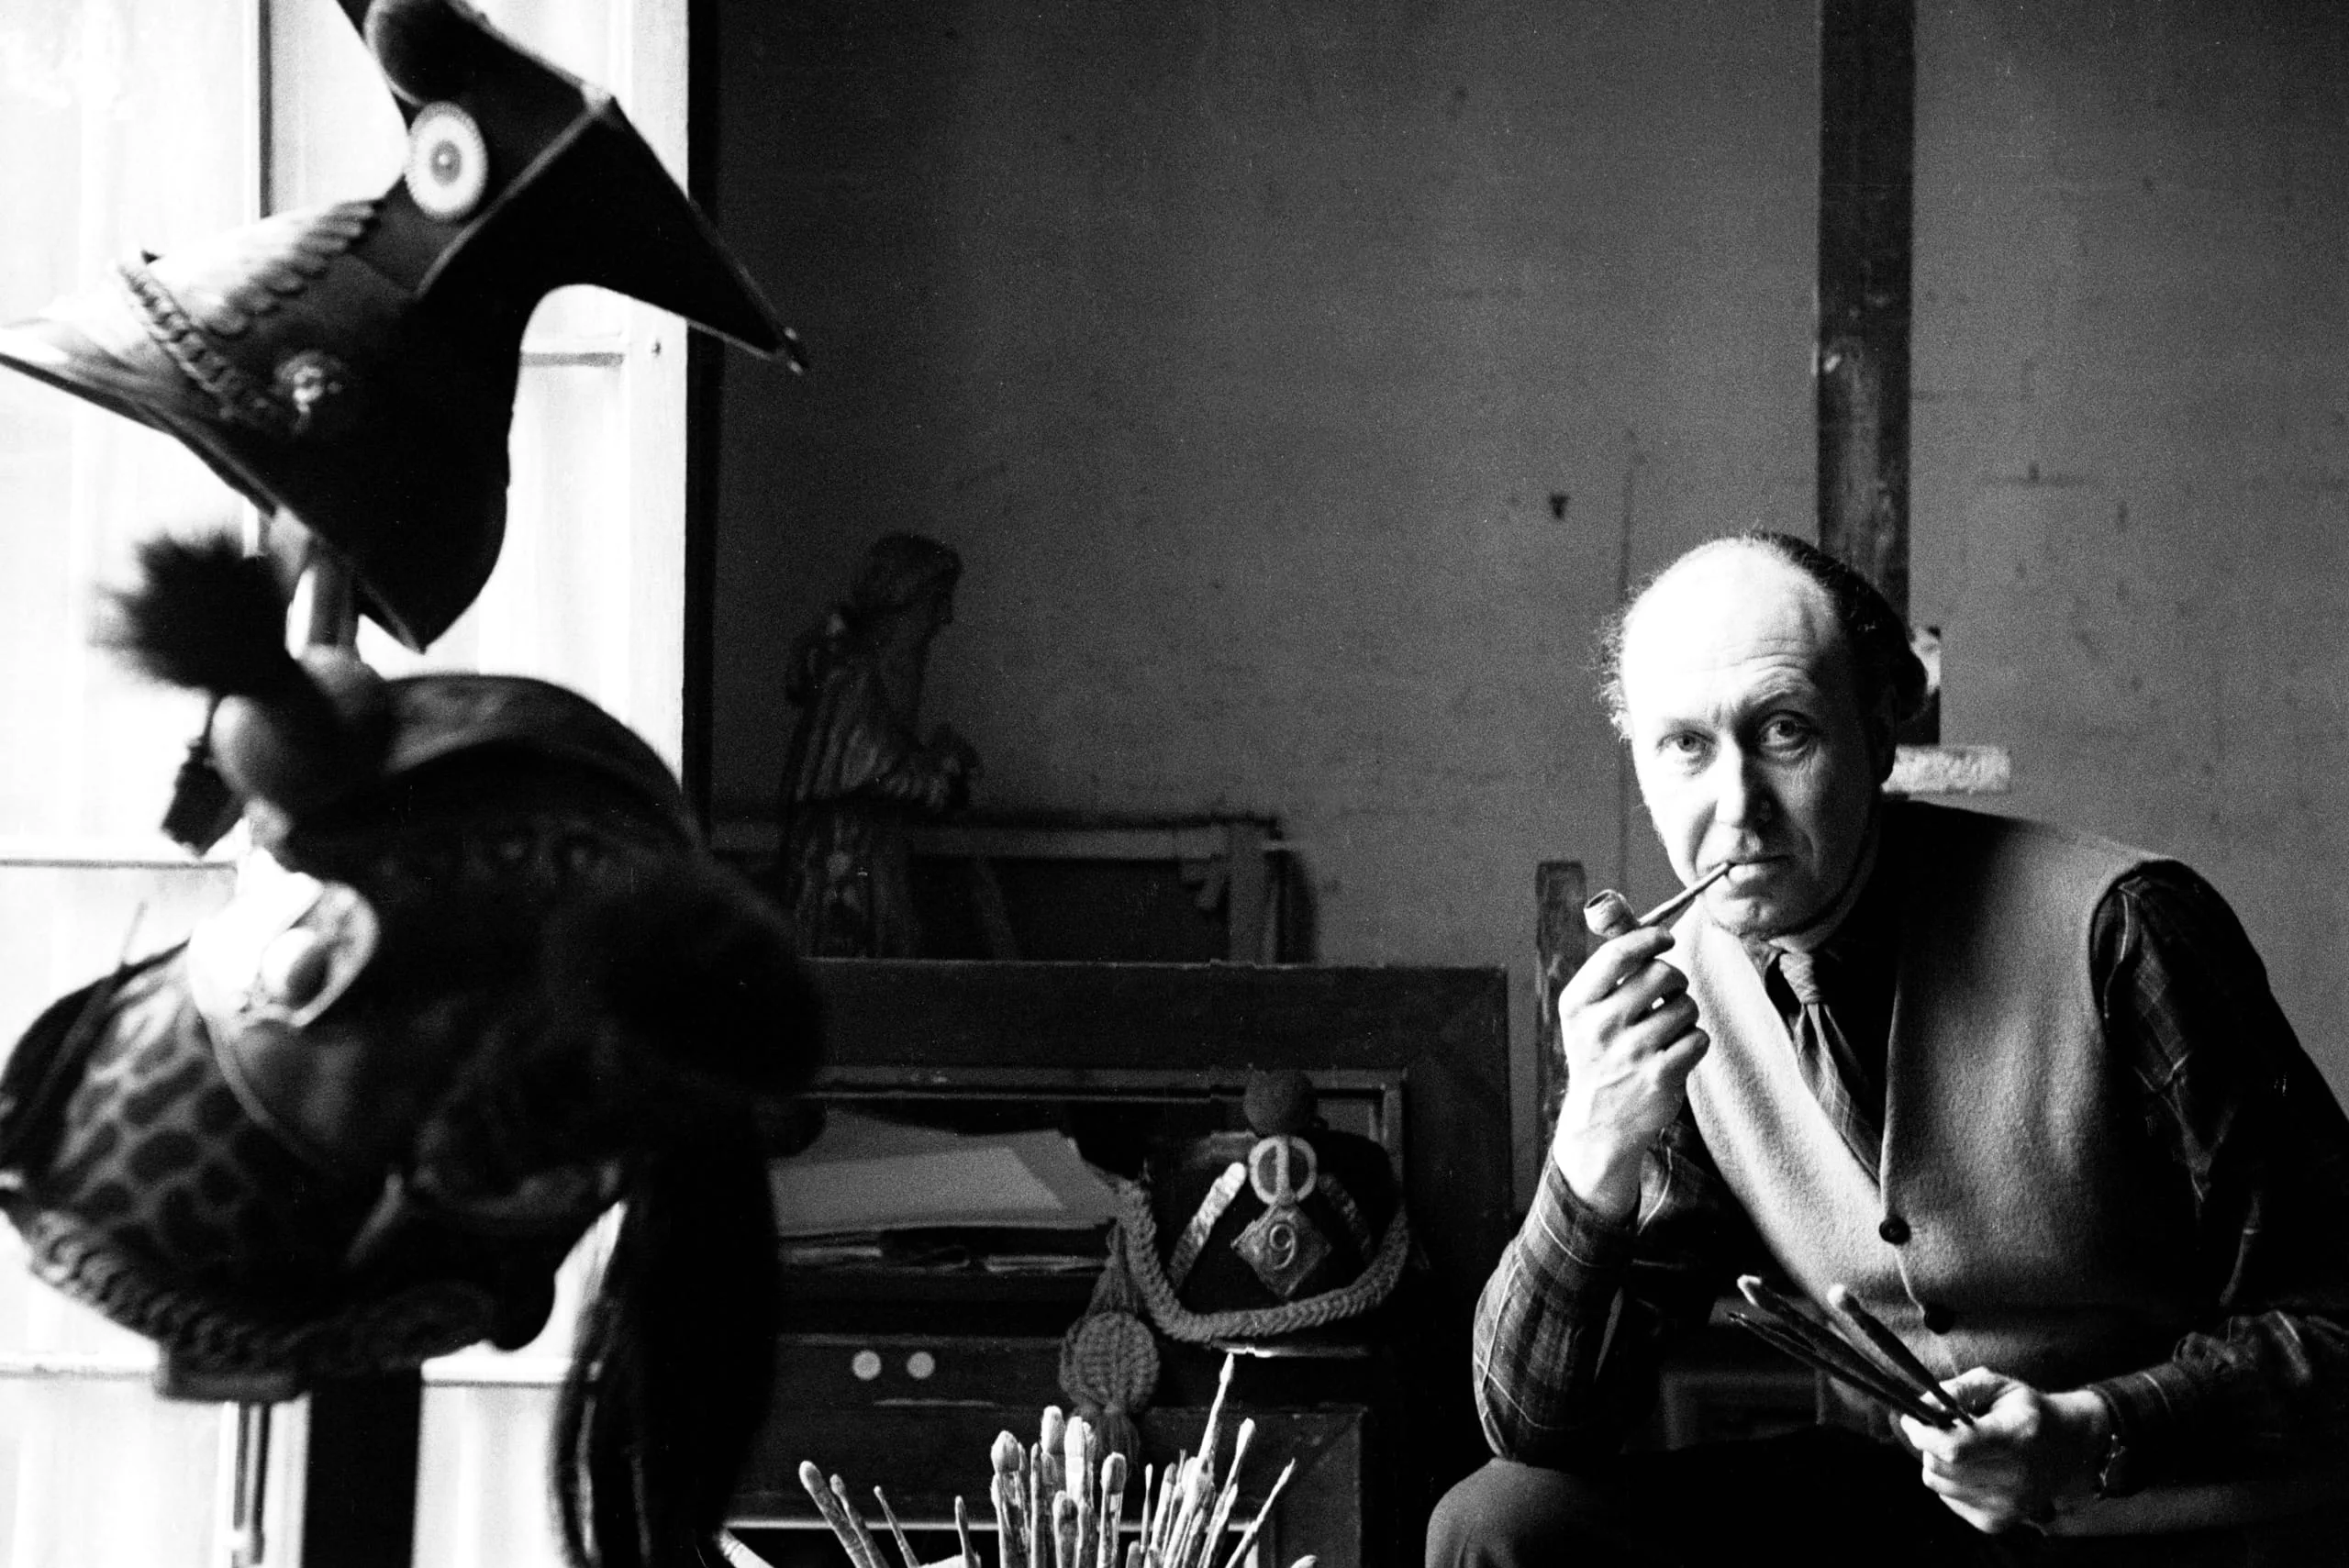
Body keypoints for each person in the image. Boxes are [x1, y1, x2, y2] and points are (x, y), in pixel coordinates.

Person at [1430, 532, 2349, 1566]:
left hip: (2172, 1513)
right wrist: (1590, 1143)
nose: (1735, 805)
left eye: (1784, 731)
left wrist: (2094, 1427)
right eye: (1683, 744)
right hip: (1917, 1507)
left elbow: (2335, 1320)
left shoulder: (2124, 930)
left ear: (1877, 733)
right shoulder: (1679, 998)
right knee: (1501, 1522)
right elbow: (1538, 1425)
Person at [774, 532, 978, 956]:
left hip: (869, 853)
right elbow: (874, 771)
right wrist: (939, 770)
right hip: (845, 860)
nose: (946, 618)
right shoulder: (856, 679)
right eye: (937, 601)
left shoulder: (870, 678)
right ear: (904, 603)